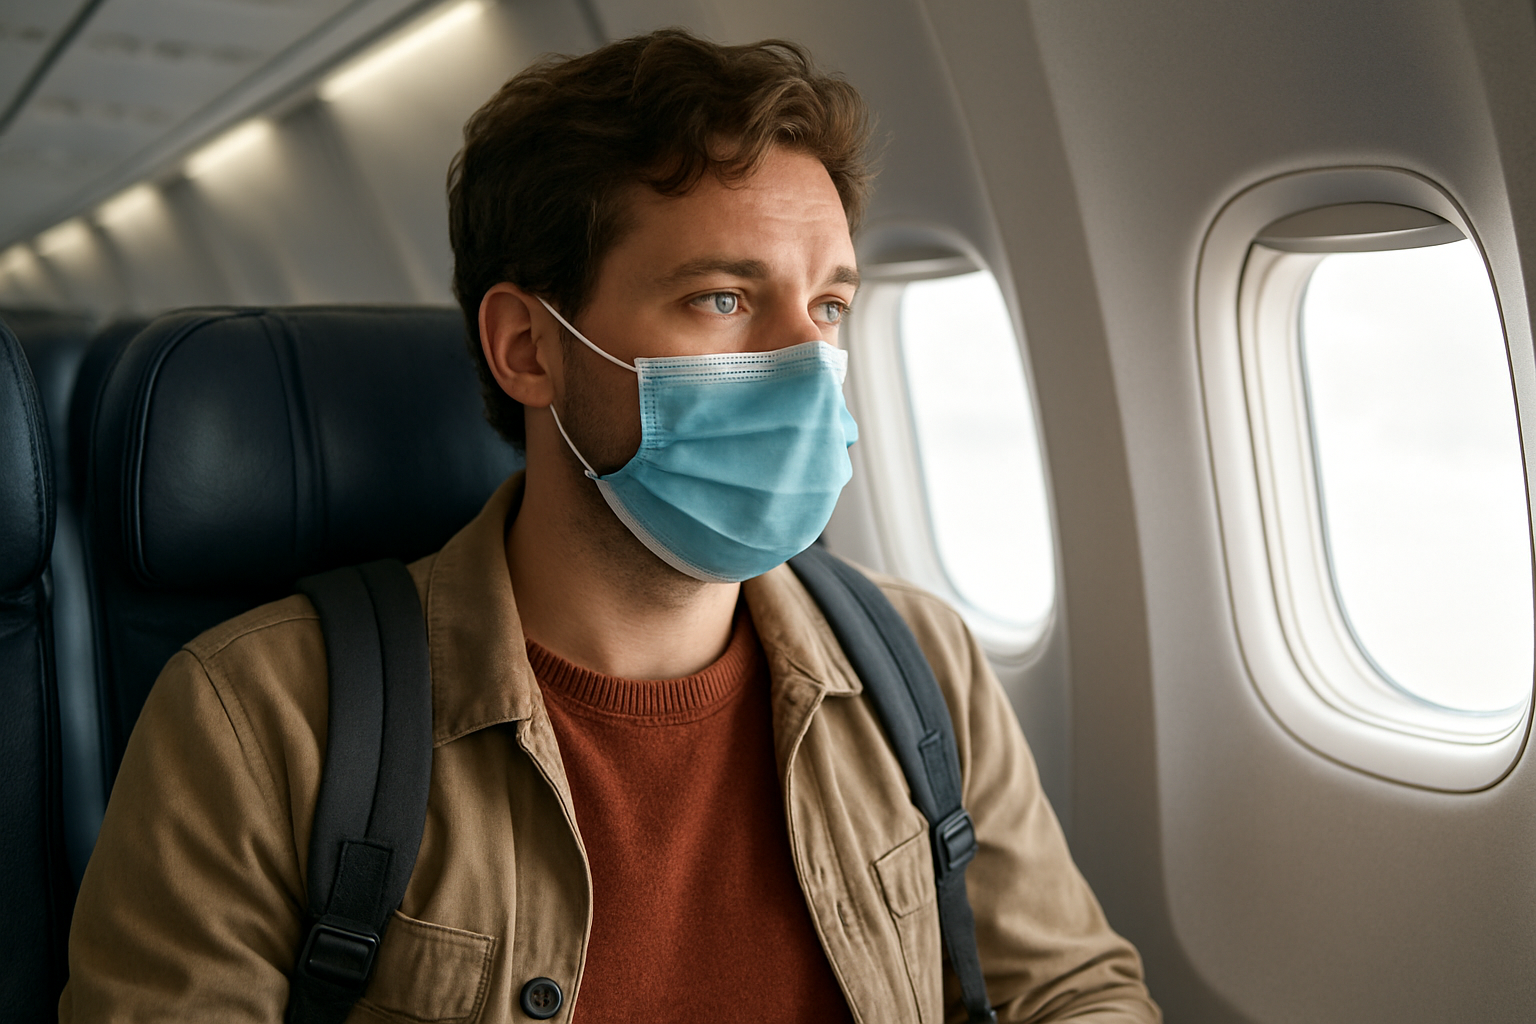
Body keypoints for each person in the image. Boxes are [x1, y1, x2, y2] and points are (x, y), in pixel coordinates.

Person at [61, 28, 1160, 1023]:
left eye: (828, 306)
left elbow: (1073, 989)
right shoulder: (260, 722)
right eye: (723, 298)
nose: (809, 371)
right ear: (528, 349)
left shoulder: (921, 664)